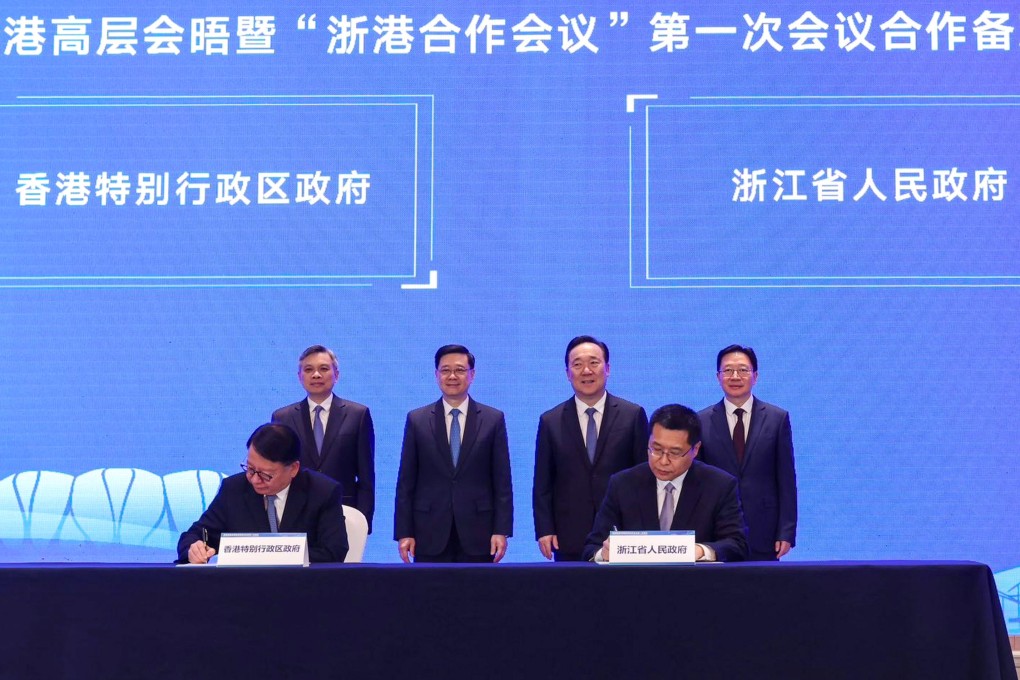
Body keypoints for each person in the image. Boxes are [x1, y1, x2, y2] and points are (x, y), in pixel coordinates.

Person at [582, 404, 748, 563]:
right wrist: (603, 553)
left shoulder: (719, 486)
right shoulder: (623, 484)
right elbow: (592, 548)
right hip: (636, 581)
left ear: (695, 449)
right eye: (656, 449)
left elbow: (737, 544)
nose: (663, 461)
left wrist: (700, 551)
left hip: (694, 581)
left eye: (674, 453)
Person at [533, 335, 648, 561]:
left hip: (623, 531)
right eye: (577, 364)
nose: (586, 371)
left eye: (594, 362)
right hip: (568, 533)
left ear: (608, 369)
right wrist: (544, 529)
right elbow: (543, 482)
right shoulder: (550, 421)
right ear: (568, 373)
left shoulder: (632, 415)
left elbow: (643, 475)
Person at [394, 345, 513, 563]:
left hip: (479, 531)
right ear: (436, 375)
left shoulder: (493, 419)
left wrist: (501, 530)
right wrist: (404, 532)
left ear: (472, 375)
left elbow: (502, 481)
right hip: (428, 530)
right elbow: (406, 481)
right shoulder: (417, 420)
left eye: (459, 370)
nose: (452, 376)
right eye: (445, 370)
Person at [177, 422, 349, 564]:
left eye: (266, 475)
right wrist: (194, 549)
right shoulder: (234, 489)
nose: (254, 480)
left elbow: (333, 551)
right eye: (250, 469)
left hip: (302, 587)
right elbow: (195, 534)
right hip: (244, 588)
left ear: (293, 468)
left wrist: (272, 554)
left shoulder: (322, 492)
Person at [698, 344, 797, 561]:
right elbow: (699, 481)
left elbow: (786, 479)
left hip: (765, 528)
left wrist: (786, 531)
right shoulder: (701, 421)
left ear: (755, 376)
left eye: (743, 370)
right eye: (728, 370)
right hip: (718, 530)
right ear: (718, 377)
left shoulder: (777, 419)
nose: (735, 376)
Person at [272, 344, 375, 532]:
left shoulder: (357, 414)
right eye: (308, 370)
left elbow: (366, 477)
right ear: (299, 376)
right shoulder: (283, 417)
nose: (316, 375)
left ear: (337, 375)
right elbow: (276, 471)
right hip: (295, 515)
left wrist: (363, 522)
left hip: (344, 515)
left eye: (324, 369)